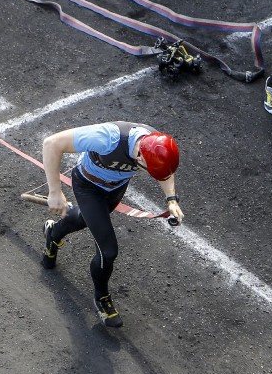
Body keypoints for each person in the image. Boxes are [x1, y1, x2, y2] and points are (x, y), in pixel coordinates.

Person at [40, 121, 184, 328]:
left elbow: (166, 171)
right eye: (148, 170)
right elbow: (51, 143)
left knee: (83, 220)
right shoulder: (108, 138)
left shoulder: (156, 144)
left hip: (115, 189)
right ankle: (101, 297)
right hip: (89, 187)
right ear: (140, 157)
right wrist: (55, 192)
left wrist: (171, 199)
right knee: (108, 251)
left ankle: (53, 233)